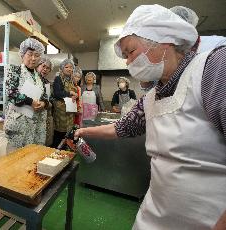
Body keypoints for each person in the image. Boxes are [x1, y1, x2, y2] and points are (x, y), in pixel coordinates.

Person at [74, 4, 226, 229]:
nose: (127, 63)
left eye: (131, 52)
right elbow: (123, 127)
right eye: (125, 57)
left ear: (163, 41)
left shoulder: (213, 68)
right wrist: (84, 131)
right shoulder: (152, 97)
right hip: (154, 215)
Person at [140, 5, 226, 91]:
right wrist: (145, 76)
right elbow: (153, 88)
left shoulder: (218, 44)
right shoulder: (167, 53)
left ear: (189, 27)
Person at [4, 37, 48, 148]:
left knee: (30, 157)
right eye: (30, 54)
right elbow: (11, 94)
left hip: (34, 125)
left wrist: (43, 103)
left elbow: (45, 97)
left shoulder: (40, 78)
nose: (33, 58)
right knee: (14, 158)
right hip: (18, 125)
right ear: (23, 54)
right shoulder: (14, 71)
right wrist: (31, 102)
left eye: (37, 55)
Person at [52, 59, 77, 148]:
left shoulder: (71, 81)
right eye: (66, 67)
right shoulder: (58, 79)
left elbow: (74, 93)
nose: (69, 69)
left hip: (69, 112)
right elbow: (57, 93)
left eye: (71, 67)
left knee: (67, 135)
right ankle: (55, 153)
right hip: (60, 112)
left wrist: (75, 96)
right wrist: (70, 93)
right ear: (62, 68)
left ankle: (64, 154)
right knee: (59, 134)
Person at [36, 56, 54, 146]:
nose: (45, 69)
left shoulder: (47, 82)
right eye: (43, 66)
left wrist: (48, 102)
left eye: (48, 68)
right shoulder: (33, 78)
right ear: (38, 65)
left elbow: (48, 97)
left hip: (45, 114)